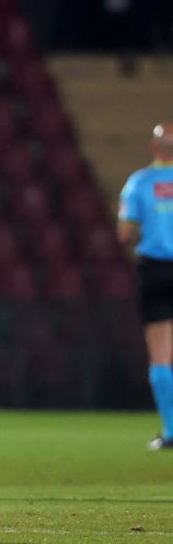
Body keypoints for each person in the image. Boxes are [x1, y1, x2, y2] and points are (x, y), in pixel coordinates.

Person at [118, 123, 173, 450]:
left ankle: (170, 430)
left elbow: (125, 234)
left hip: (155, 270)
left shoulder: (139, 182)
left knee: (161, 352)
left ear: (154, 149)